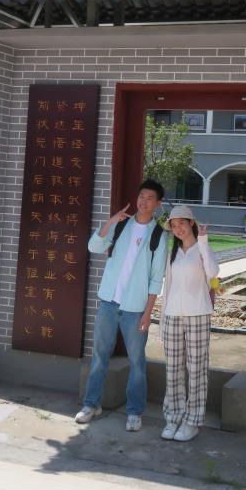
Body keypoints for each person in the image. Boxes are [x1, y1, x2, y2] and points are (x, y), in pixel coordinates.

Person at [75, 179, 167, 432]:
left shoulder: (159, 235)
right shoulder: (122, 224)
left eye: (149, 198)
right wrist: (110, 221)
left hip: (135, 308)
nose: (143, 201)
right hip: (108, 302)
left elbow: (156, 278)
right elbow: (94, 246)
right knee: (99, 356)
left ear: (158, 204)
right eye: (141, 196)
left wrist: (148, 313)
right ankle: (91, 404)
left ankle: (134, 412)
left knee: (137, 362)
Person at [159, 205, 219, 442]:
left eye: (181, 223)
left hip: (198, 315)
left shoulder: (202, 249)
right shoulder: (173, 253)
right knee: (173, 369)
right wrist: (163, 320)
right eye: (173, 226)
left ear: (191, 223)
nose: (178, 229)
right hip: (172, 315)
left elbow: (212, 272)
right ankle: (173, 417)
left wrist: (203, 241)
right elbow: (168, 287)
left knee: (196, 370)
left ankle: (192, 421)